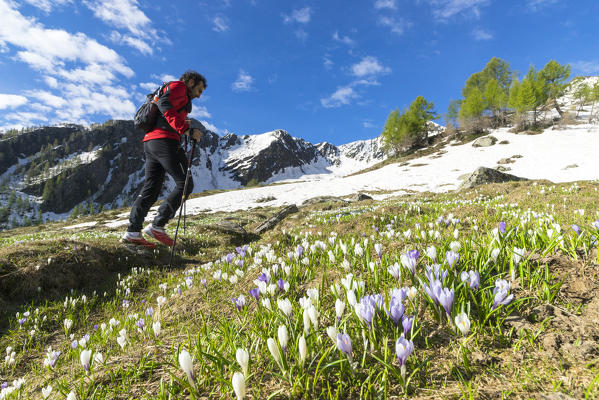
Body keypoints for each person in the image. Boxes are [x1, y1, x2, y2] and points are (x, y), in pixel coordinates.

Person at [122, 70, 207, 248]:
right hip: (165, 141)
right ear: (190, 81)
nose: (199, 96)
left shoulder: (174, 91)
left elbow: (166, 108)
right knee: (185, 183)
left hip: (151, 142)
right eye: (199, 90)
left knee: (151, 188)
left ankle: (133, 231)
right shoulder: (178, 86)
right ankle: (158, 225)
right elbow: (164, 103)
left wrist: (184, 125)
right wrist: (186, 129)